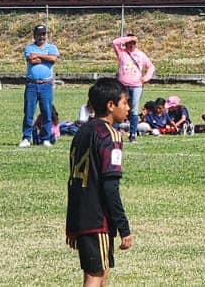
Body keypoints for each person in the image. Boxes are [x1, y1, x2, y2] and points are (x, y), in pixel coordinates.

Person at [65, 77, 133, 287]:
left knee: (102, 270)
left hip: (82, 213)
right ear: (110, 106)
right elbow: (110, 186)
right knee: (96, 275)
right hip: (97, 217)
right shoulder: (111, 136)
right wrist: (123, 226)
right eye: (125, 103)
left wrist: (72, 221)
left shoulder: (82, 132)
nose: (128, 108)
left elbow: (73, 181)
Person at [22, 24, 60, 147]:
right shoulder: (29, 47)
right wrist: (46, 57)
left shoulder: (52, 47)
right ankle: (26, 138)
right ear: (34, 35)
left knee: (47, 112)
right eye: (39, 34)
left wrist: (39, 55)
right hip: (32, 84)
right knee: (28, 112)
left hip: (46, 84)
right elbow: (32, 60)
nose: (41, 36)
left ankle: (46, 138)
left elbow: (53, 59)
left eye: (43, 34)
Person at [112, 34, 156, 139]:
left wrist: (146, 77)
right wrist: (129, 38)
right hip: (123, 84)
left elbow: (150, 66)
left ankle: (132, 134)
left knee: (134, 110)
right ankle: (115, 132)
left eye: (134, 43)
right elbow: (115, 42)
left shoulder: (140, 55)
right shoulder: (121, 53)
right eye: (129, 43)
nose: (131, 45)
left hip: (136, 85)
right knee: (119, 107)